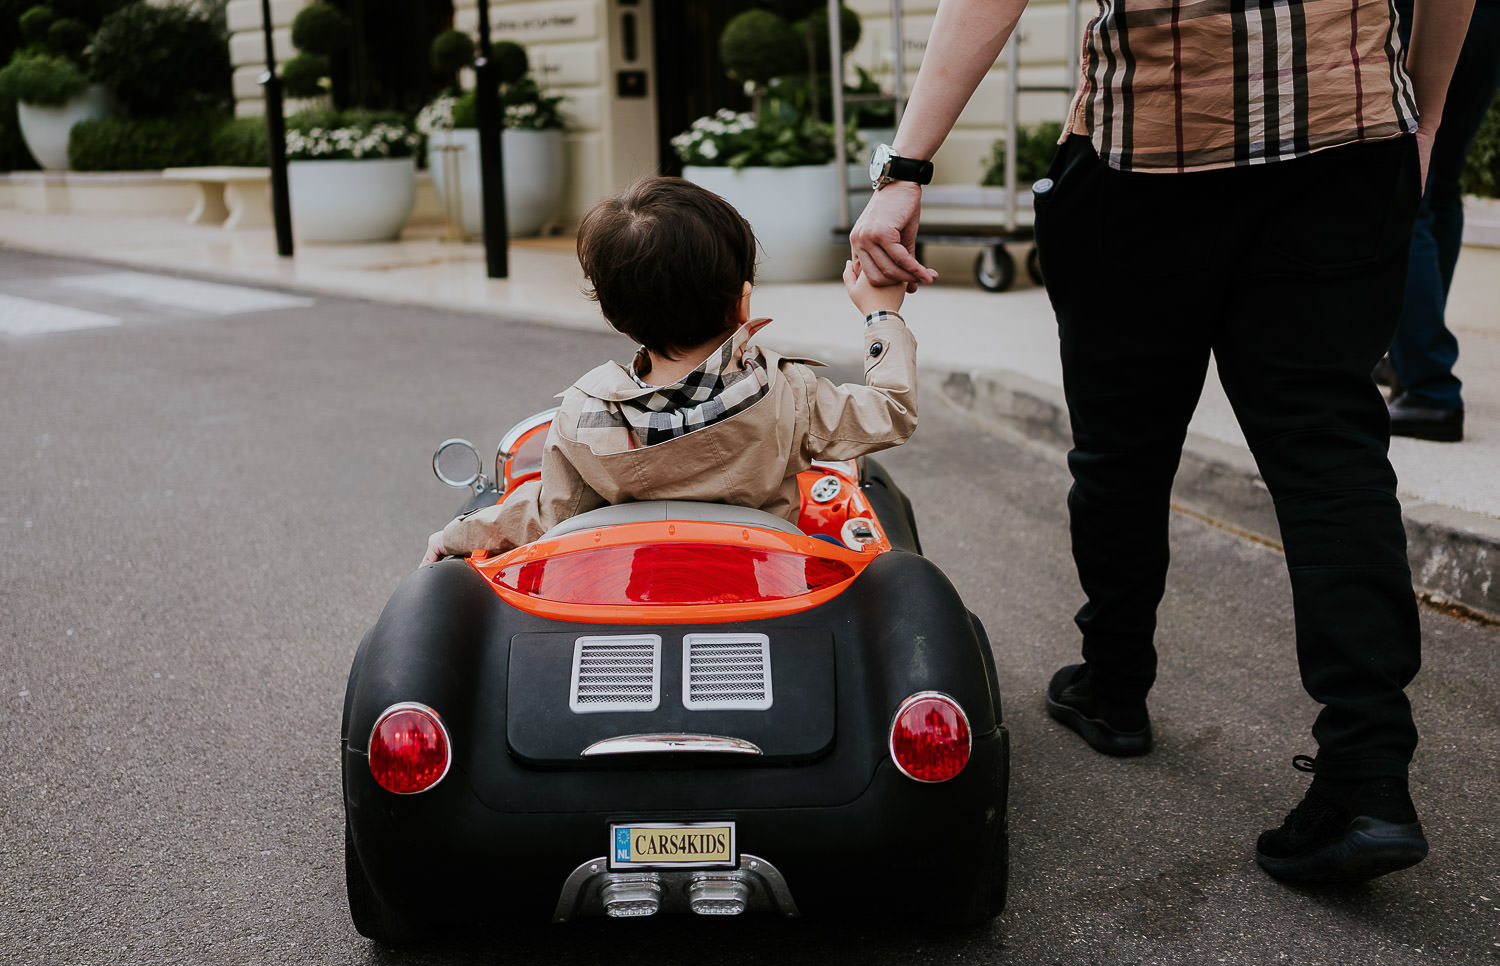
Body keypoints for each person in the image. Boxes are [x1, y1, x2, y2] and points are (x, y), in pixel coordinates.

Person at [851, 0, 1475, 883]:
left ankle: (1115, 688)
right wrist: (1424, 105)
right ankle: (1368, 775)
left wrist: (906, 165)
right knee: (1331, 453)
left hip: (1152, 149)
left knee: (1122, 446)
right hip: (1348, 136)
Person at [421, 175, 913, 566]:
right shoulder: (787, 394)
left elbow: (550, 517)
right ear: (742, 304)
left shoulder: (584, 416)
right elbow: (892, 411)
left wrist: (455, 534)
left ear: (616, 315)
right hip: (762, 583)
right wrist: (880, 314)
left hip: (631, 591)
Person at [1386, 0, 1500, 442]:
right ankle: (1411, 352)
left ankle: (1428, 386)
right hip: (1485, 19)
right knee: (1443, 185)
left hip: (1427, 13)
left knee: (1411, 191)